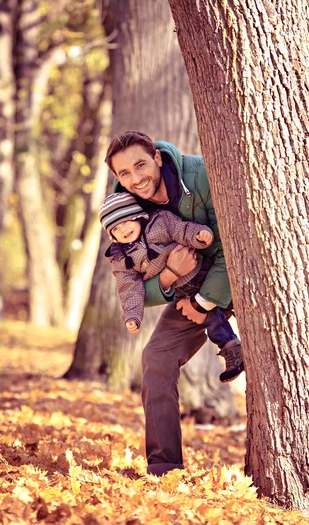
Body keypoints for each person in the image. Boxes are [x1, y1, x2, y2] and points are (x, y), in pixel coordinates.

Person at [104, 131, 244, 476]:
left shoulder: (201, 177)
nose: (135, 178)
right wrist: (168, 276)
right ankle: (164, 467)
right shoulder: (127, 211)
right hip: (185, 286)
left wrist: (204, 300)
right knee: (156, 357)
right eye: (124, 173)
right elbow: (133, 285)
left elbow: (233, 245)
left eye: (140, 165)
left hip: (238, 277)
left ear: (158, 158)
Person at [99, 191, 238, 383]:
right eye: (115, 229)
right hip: (184, 292)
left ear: (138, 216)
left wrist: (197, 235)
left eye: (125, 222)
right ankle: (232, 349)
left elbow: (181, 230)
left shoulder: (159, 222)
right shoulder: (122, 259)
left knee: (231, 300)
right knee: (211, 319)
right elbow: (129, 288)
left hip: (202, 270)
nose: (123, 230)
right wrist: (132, 316)